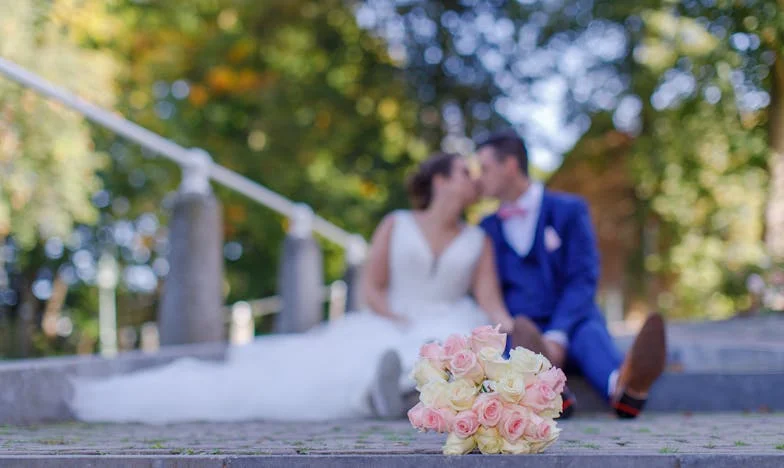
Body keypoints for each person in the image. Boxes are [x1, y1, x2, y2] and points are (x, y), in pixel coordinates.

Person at [68, 152, 515, 424]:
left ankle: (398, 393)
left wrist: (513, 330)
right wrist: (392, 316)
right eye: (464, 172)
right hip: (391, 317)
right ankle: (383, 390)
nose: (474, 181)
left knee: (448, 346)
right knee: (357, 358)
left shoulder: (480, 240)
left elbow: (489, 298)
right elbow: (371, 290)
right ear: (439, 180)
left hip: (448, 317)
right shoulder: (395, 224)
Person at [475, 130, 667, 419]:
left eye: (486, 168)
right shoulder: (486, 226)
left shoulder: (569, 210)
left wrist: (557, 334)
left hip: (573, 320)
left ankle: (625, 388)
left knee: (589, 336)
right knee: (514, 350)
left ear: (510, 166)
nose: (480, 178)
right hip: (522, 328)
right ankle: (548, 388)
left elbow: (584, 277)